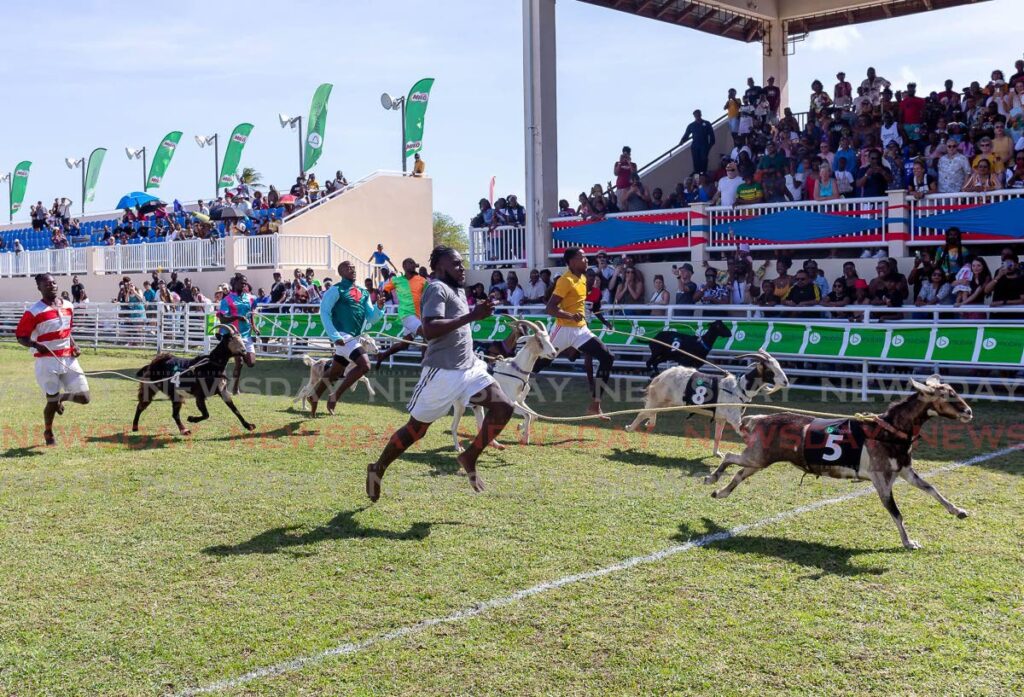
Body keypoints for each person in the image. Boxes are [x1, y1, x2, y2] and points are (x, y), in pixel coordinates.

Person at [367, 246, 513, 501]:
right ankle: (377, 468)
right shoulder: (436, 288)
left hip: (469, 367)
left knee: (504, 407)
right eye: (456, 263)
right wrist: (471, 316)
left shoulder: (457, 289)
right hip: (442, 372)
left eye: (461, 263)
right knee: (417, 430)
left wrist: (475, 314)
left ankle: (470, 456)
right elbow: (431, 328)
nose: (461, 267)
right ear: (441, 267)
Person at [533, 248, 616, 419]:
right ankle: (512, 383)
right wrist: (570, 315)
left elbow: (578, 302)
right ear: (571, 262)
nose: (586, 260)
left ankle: (595, 405)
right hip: (563, 330)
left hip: (581, 329)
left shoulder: (584, 278)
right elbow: (550, 308)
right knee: (540, 364)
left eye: (585, 257)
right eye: (582, 257)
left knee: (608, 357)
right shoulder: (565, 280)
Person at [15, 274, 91, 446]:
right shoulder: (34, 311)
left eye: (53, 282)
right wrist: (35, 344)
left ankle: (61, 399)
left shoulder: (68, 306)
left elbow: (67, 331)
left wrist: (74, 345)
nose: (52, 286)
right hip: (46, 361)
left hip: (68, 359)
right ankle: (48, 431)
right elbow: (20, 336)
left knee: (84, 398)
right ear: (39, 288)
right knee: (51, 400)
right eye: (47, 284)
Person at [376, 258, 428, 368]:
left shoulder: (422, 280)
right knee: (428, 335)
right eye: (410, 263)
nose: (413, 264)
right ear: (404, 266)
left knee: (404, 344)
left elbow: (430, 293)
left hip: (419, 316)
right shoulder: (396, 280)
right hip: (406, 315)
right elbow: (385, 290)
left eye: (414, 263)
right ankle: (425, 367)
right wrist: (382, 297)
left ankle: (382, 355)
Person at [217, 273, 257, 395]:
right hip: (233, 335)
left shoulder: (251, 298)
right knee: (239, 362)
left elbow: (251, 313)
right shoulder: (227, 299)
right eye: (242, 282)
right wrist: (237, 317)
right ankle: (234, 388)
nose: (244, 284)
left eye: (245, 282)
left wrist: (254, 326)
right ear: (234, 283)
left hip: (246, 334)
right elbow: (223, 319)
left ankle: (230, 381)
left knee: (251, 363)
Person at [679, 109, 716, 175]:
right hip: (695, 146)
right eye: (696, 115)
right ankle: (697, 177)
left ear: (700, 114)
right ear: (694, 116)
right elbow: (686, 135)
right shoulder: (691, 125)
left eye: (698, 114)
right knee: (696, 163)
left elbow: (712, 136)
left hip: (704, 145)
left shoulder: (706, 123)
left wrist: (709, 146)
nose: (697, 116)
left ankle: (703, 175)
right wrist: (682, 141)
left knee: (704, 160)